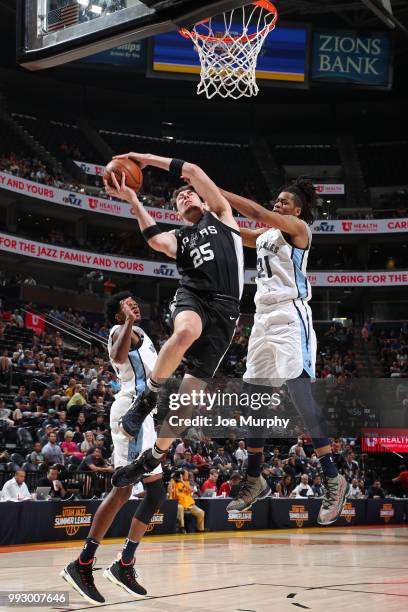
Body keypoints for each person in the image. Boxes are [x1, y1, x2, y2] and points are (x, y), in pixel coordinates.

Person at [104, 152, 243, 488]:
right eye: (179, 199)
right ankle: (149, 396)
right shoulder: (180, 238)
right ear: (176, 214)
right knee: (185, 332)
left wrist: (142, 159)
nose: (184, 195)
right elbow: (154, 239)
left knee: (188, 401)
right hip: (193, 296)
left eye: (188, 193)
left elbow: (193, 169)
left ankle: (150, 458)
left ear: (205, 200)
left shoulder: (222, 216)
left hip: (226, 311)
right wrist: (134, 199)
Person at [221, 179, 349, 524]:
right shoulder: (264, 238)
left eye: (283, 202)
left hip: (291, 316)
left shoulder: (299, 229)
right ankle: (254, 478)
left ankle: (334, 478)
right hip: (262, 319)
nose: (277, 205)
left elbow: (255, 212)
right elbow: (233, 231)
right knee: (253, 399)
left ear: (297, 209)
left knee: (300, 395)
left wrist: (215, 191)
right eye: (276, 201)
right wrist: (205, 211)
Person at [61, 293, 166, 605]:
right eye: (127, 303)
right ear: (118, 313)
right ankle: (82, 564)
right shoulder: (116, 333)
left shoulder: (144, 335)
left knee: (157, 493)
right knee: (123, 491)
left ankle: (125, 564)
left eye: (135, 301)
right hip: (131, 414)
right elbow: (119, 359)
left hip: (147, 416)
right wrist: (128, 321)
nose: (134, 304)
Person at [169, 469, 205, 533]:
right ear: (181, 475)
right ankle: (181, 528)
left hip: (189, 505)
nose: (188, 475)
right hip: (179, 503)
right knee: (180, 508)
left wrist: (182, 481)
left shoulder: (186, 483)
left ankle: (200, 530)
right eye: (186, 474)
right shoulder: (173, 482)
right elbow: (170, 493)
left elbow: (192, 490)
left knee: (201, 513)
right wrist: (171, 480)